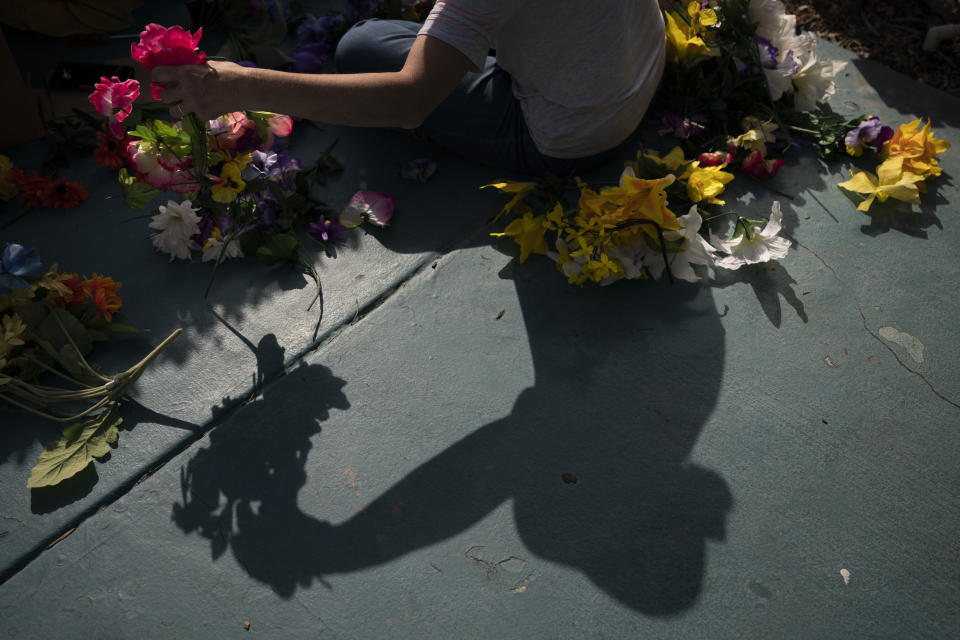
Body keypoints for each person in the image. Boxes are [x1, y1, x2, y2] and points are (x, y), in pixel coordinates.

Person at [153, 0, 666, 173]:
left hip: (573, 132)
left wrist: (244, 84)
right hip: (639, 62)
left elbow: (409, 101)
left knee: (360, 47)